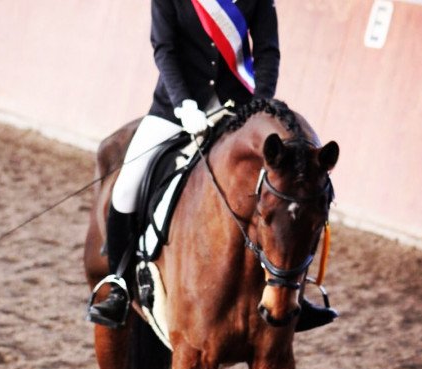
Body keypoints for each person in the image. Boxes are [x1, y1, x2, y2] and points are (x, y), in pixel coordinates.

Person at [87, 0, 337, 331]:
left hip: (240, 112)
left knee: (291, 192)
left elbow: (267, 52)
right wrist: (185, 106)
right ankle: (118, 282)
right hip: (176, 110)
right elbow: (165, 50)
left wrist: (261, 105)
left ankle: (293, 292)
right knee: (127, 186)